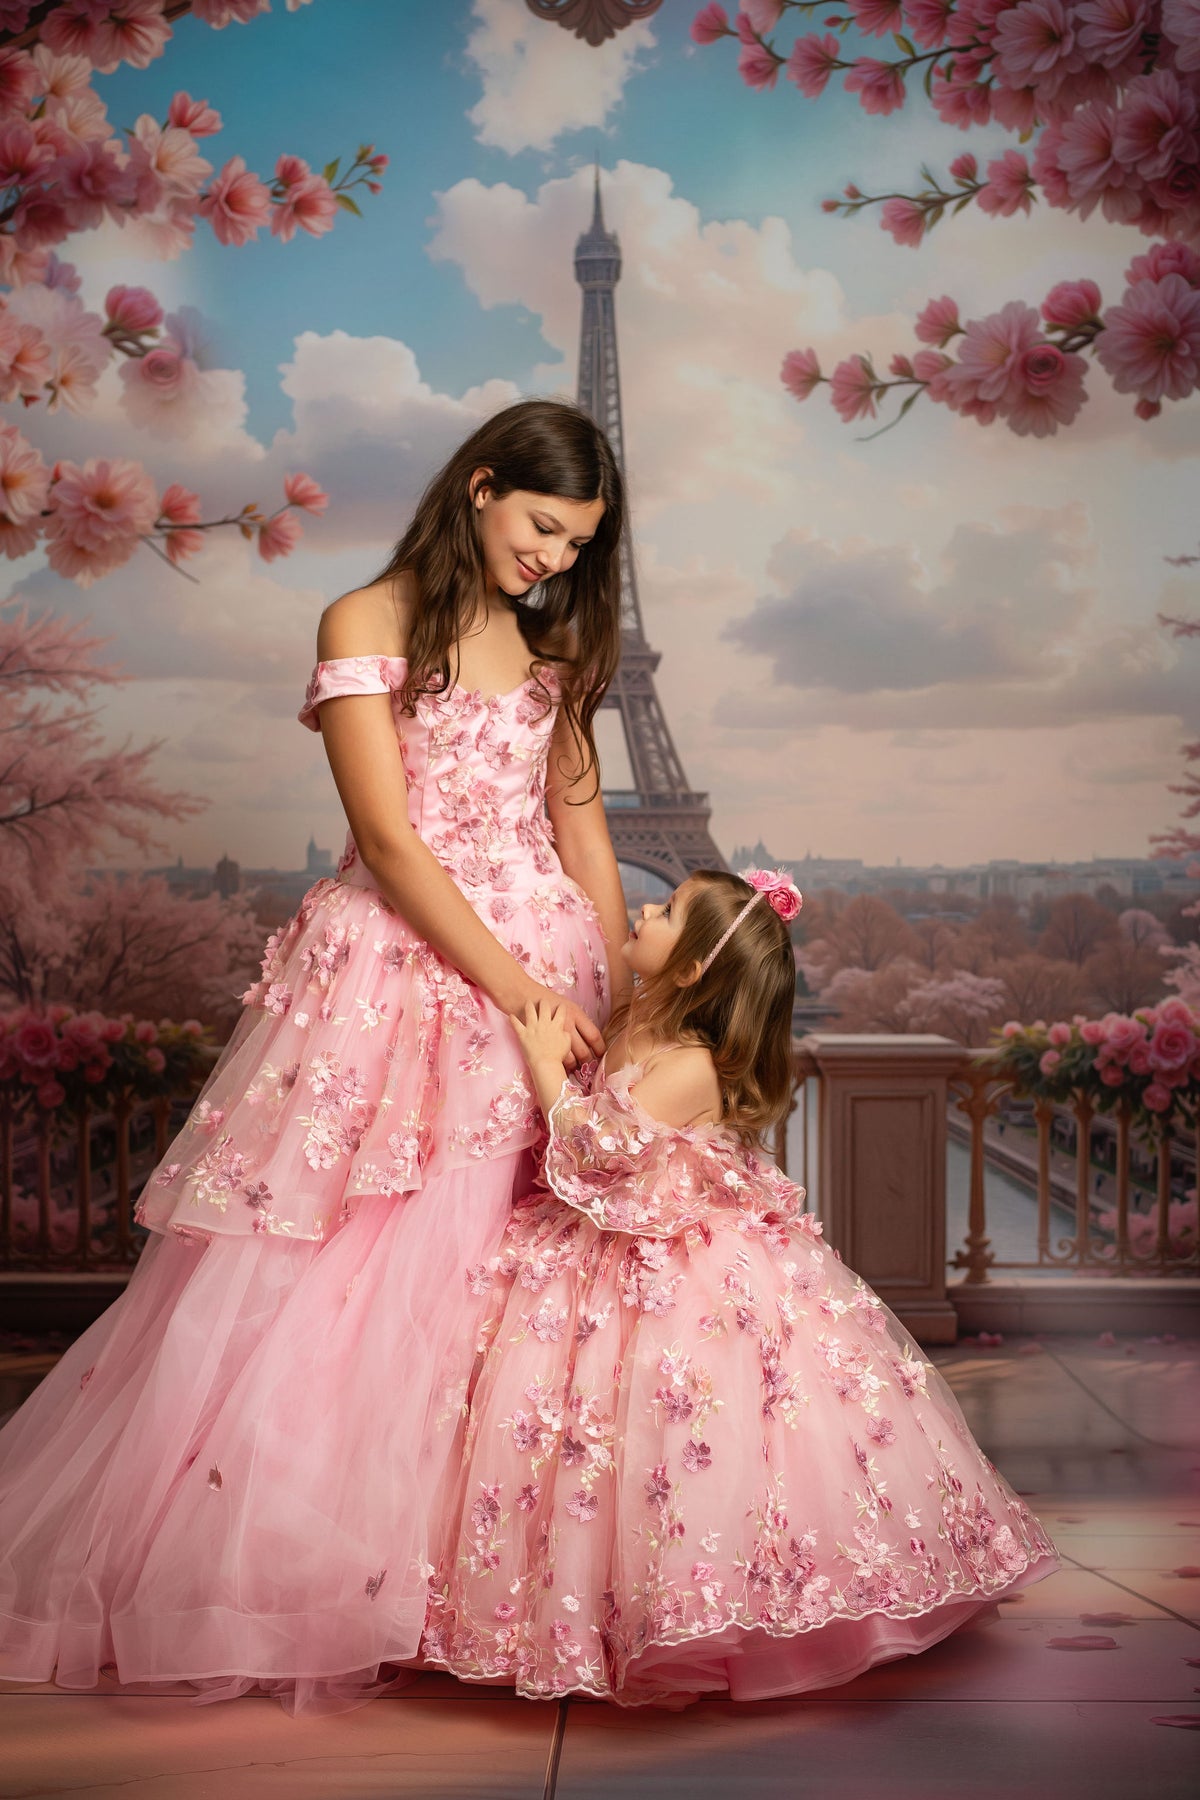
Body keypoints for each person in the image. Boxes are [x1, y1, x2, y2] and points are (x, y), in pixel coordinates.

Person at [0, 398, 630, 1714]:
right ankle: (336, 1576)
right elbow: (388, 842)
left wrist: (618, 993)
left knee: (510, 1272)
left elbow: (585, 836)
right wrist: (514, 987)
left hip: (547, 977)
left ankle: (478, 1580)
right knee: (360, 1270)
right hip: (409, 971)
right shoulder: (364, 621)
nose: (554, 560)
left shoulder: (551, 646)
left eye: (577, 544)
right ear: (479, 486)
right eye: (541, 527)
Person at [424, 867, 1061, 1705]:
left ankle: (704, 1601)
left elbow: (597, 1151)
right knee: (571, 1427)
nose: (643, 907)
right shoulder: (636, 1018)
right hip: (604, 1239)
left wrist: (545, 1064)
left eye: (666, 911)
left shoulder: (693, 1061)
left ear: (693, 967)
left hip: (677, 1261)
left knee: (686, 1421)